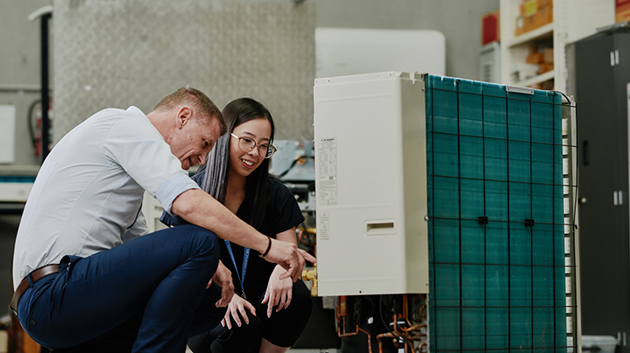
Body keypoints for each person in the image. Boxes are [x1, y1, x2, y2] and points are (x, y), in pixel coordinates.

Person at [9, 87, 315, 353]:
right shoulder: (124, 125)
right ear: (182, 117)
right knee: (201, 242)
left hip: (73, 306)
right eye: (205, 143)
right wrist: (267, 246)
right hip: (53, 292)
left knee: (211, 299)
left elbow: (146, 253)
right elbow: (186, 201)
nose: (203, 159)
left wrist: (212, 268)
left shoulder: (125, 184)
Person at [161, 97, 313, 353]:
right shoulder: (192, 194)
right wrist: (225, 297)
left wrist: (283, 272)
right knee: (241, 324)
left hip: (259, 301)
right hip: (212, 306)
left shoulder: (276, 194)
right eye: (247, 141)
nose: (255, 153)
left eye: (264, 146)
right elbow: (185, 265)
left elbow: (289, 251)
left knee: (297, 297)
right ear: (223, 137)